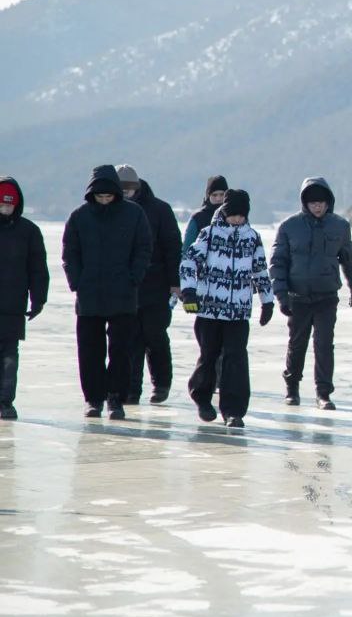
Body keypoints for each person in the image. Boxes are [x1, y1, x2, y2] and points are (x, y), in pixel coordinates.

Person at [62, 165, 153, 420]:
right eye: (99, 197)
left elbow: (144, 248)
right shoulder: (80, 216)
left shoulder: (133, 214)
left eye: (108, 196)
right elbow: (70, 251)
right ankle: (93, 399)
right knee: (90, 350)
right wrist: (76, 281)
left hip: (123, 293)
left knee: (121, 350)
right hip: (89, 294)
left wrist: (134, 277)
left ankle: (116, 398)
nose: (104, 201)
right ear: (92, 194)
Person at [180, 189, 273, 427]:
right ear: (224, 212)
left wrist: (267, 301)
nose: (237, 220)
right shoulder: (209, 234)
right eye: (233, 215)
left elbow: (261, 271)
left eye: (241, 216)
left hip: (238, 311)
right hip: (210, 309)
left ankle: (234, 411)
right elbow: (189, 261)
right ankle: (201, 397)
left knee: (236, 359)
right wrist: (189, 291)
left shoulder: (252, 238)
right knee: (209, 355)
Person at [270, 177, 352, 410]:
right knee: (297, 343)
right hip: (297, 297)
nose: (317, 207)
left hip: (326, 296)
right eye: (312, 203)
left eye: (321, 202)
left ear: (328, 202)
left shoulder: (339, 226)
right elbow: (278, 263)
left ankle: (323, 393)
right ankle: (292, 389)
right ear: (305, 203)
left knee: (324, 345)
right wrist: (281, 296)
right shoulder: (289, 227)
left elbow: (350, 259)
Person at [116, 164, 182, 405]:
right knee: (131, 338)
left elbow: (173, 247)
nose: (125, 193)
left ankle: (161, 384)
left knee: (155, 335)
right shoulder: (112, 209)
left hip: (157, 283)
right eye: (120, 188)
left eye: (129, 188)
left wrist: (175, 282)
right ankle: (132, 389)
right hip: (127, 286)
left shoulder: (160, 210)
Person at [0, 177, 49, 420]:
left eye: (9, 205)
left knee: (9, 356)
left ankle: (6, 401)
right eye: (1, 205)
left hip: (12, 306)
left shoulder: (29, 232)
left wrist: (39, 298)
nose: (5, 209)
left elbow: (38, 268)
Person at [183, 175, 229, 252]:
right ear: (208, 195)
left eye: (222, 194)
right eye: (214, 195)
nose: (218, 198)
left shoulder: (234, 216)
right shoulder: (197, 218)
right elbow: (187, 248)